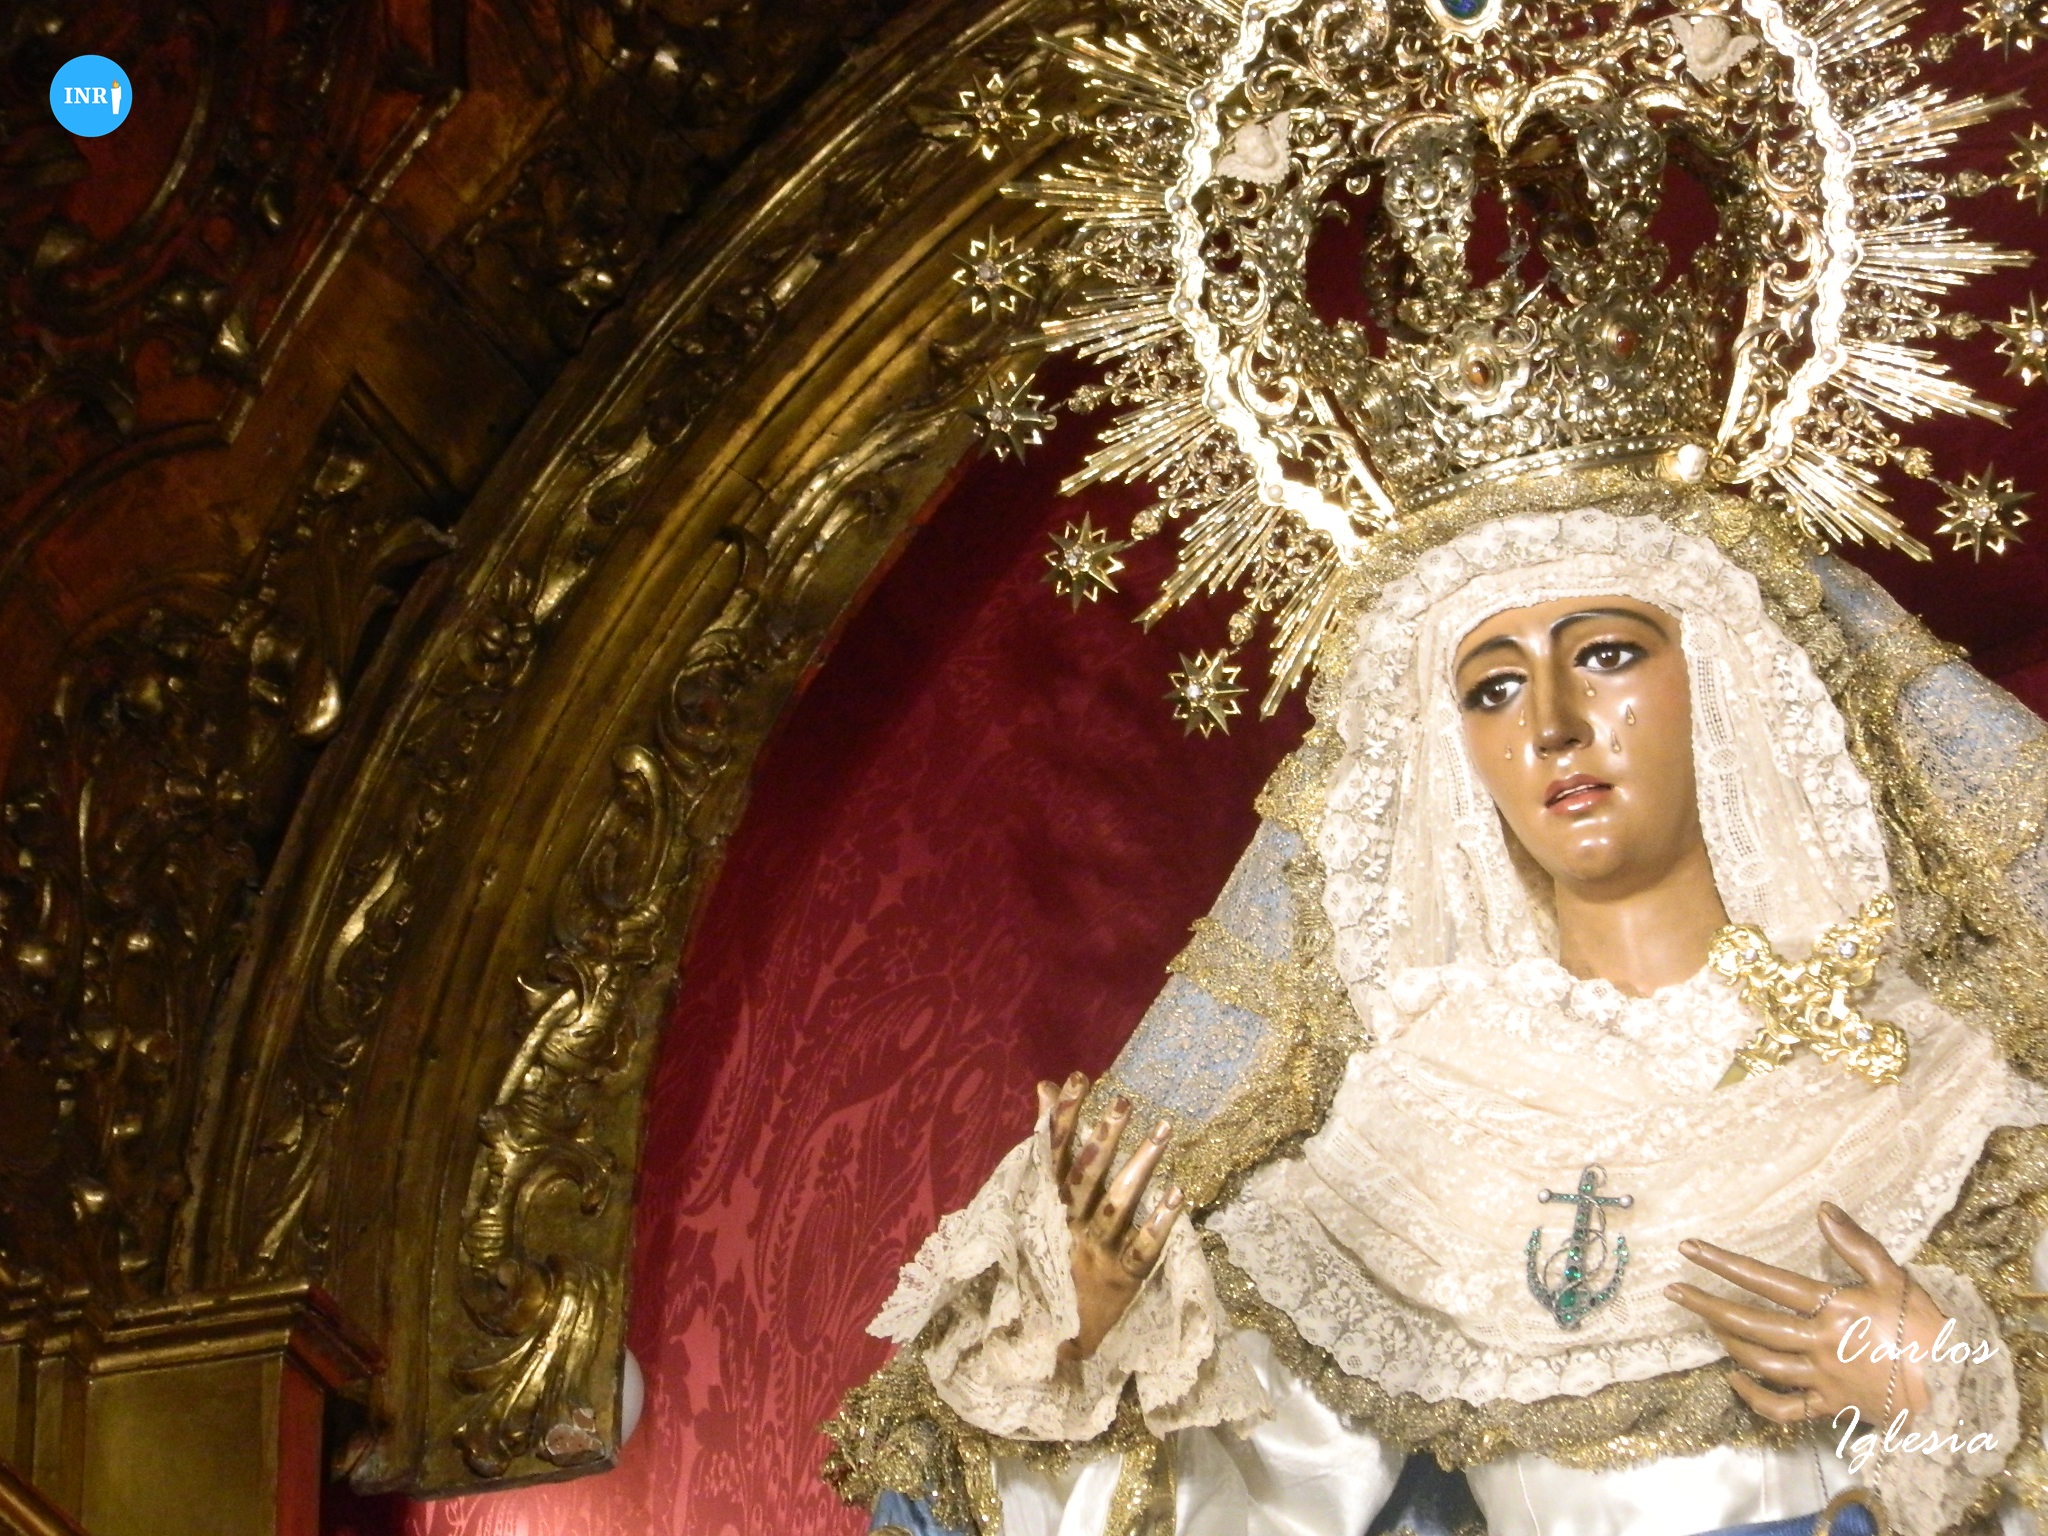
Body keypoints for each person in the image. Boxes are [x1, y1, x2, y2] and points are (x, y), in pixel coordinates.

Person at [829, 497, 2048, 1536]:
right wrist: (1085, 1345)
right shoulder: (1404, 1149)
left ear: (1732, 677)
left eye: (1607, 653)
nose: (1550, 724)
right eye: (1492, 687)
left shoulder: (1950, 1091)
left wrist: (1948, 1395)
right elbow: (1233, 1501)